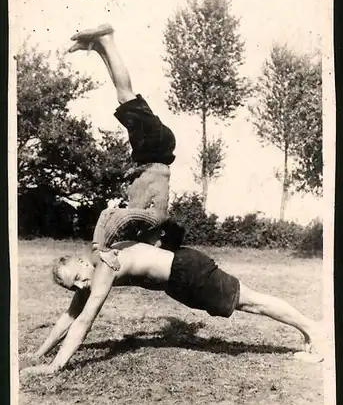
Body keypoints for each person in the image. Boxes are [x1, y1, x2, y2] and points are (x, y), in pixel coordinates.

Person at [21, 220, 324, 376]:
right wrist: (39, 353)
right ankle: (312, 329)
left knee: (252, 302)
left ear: (83, 263)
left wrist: (55, 367)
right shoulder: (92, 266)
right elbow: (70, 315)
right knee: (250, 303)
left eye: (76, 279)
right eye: (71, 287)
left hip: (187, 272)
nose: (78, 288)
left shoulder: (104, 266)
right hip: (180, 280)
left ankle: (313, 330)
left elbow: (85, 321)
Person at [67, 23, 176, 254]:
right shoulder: (155, 219)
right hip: (155, 148)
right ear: (161, 238)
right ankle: (107, 39)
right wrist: (101, 246)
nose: (151, 248)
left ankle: (98, 47)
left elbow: (118, 215)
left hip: (152, 151)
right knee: (126, 94)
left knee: (123, 95)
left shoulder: (148, 223)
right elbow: (117, 217)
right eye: (156, 247)